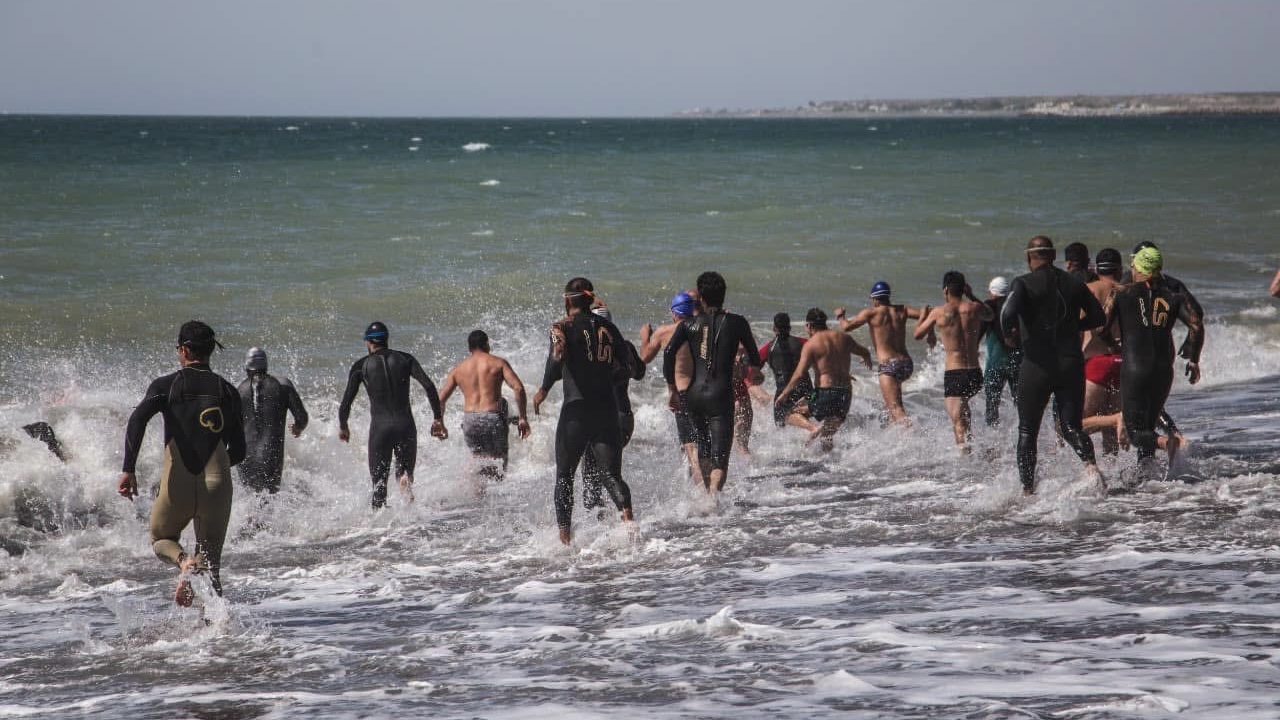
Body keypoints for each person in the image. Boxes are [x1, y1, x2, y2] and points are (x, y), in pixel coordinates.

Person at [117, 321, 246, 607]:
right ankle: (216, 627)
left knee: (161, 539)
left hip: (178, 484)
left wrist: (128, 469)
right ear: (210, 351)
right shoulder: (228, 390)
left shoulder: (166, 385)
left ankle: (183, 561)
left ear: (185, 350)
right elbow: (239, 450)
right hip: (217, 485)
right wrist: (216, 472)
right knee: (210, 565)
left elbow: (137, 420)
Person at [1000, 236, 1107, 495]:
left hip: (1037, 365)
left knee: (1028, 430)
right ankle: (1091, 468)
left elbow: (1006, 314)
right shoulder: (1074, 283)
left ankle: (1028, 491)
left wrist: (1010, 336)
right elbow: (1098, 317)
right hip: (1070, 364)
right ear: (1054, 255)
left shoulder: (1023, 283)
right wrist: (1073, 326)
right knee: (1071, 427)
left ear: (1029, 257)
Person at [532, 278, 636, 545]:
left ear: (568, 300)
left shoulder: (561, 327)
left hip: (576, 412)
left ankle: (565, 541)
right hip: (606, 410)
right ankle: (630, 526)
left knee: (565, 476)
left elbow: (557, 358)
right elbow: (629, 367)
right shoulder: (609, 328)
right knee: (611, 475)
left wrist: (543, 389)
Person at [1100, 246, 1204, 482]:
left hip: (1135, 367)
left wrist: (1113, 345)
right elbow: (1196, 324)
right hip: (1163, 368)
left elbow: (1102, 327)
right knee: (1148, 422)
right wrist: (1194, 360)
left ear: (1139, 268)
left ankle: (1167, 443)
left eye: (1134, 266)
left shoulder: (1122, 292)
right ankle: (1147, 476)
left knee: (1135, 432)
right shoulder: (1173, 294)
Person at [663, 272, 761, 492]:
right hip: (721, 395)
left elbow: (669, 353)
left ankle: (706, 495)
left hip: (694, 395)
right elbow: (754, 357)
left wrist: (672, 389)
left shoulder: (688, 325)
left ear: (701, 298)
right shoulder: (737, 323)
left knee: (703, 448)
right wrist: (752, 369)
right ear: (724, 295)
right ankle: (713, 495)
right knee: (720, 456)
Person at [337, 321, 447, 509]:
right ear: (386, 339)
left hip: (380, 429)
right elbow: (429, 386)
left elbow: (346, 402)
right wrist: (437, 418)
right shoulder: (406, 359)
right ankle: (405, 489)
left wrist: (343, 426)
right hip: (405, 426)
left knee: (379, 485)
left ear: (368, 342)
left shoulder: (361, 366)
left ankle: (379, 523)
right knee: (404, 474)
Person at [913, 271, 993, 451]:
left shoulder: (939, 312)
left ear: (945, 290)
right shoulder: (974, 308)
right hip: (974, 373)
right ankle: (973, 453)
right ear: (964, 289)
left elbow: (917, 334)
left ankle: (965, 460)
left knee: (958, 424)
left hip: (955, 374)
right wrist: (972, 295)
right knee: (964, 414)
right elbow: (990, 315)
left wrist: (923, 315)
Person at [438, 330, 531, 481]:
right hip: (492, 418)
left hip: (470, 421)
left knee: (478, 465)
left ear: (469, 348)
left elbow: (440, 399)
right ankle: (497, 495)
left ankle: (476, 494)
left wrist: (440, 422)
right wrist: (522, 418)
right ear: (487, 344)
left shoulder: (458, 370)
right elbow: (518, 388)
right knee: (499, 466)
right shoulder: (499, 363)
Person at [776, 308, 873, 452]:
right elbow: (864, 351)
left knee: (788, 414)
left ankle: (813, 428)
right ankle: (831, 463)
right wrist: (866, 359)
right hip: (845, 393)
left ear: (809, 325)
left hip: (825, 393)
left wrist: (784, 394)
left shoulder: (811, 344)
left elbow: (799, 374)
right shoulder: (844, 338)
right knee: (827, 437)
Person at [836, 281, 932, 426]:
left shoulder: (871, 313)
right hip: (906, 364)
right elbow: (929, 314)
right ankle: (897, 437)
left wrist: (840, 316)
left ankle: (912, 433)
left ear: (875, 299)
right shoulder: (903, 310)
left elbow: (846, 327)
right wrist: (931, 333)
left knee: (896, 409)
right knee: (891, 408)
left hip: (889, 366)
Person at [581, 305, 645, 510]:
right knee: (608, 472)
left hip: (600, 418)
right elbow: (640, 373)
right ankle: (616, 515)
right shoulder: (625, 346)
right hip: (624, 418)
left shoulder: (588, 349)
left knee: (593, 472)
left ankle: (607, 516)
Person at [638, 291, 703, 485]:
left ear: (674, 313)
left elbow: (644, 359)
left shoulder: (664, 332)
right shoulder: (704, 328)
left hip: (683, 394)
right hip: (706, 392)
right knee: (705, 444)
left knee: (691, 448)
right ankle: (709, 486)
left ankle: (704, 494)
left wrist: (645, 337)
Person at [236, 347, 308, 494]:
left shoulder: (238, 391)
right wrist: (298, 427)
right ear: (266, 365)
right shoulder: (283, 386)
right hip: (270, 456)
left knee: (249, 499)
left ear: (247, 367)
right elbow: (302, 418)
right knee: (270, 499)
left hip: (244, 457)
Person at [1080, 249, 1125, 453]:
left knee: (1074, 426)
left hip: (1095, 364)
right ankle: (1112, 470)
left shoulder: (1088, 290)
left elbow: (1077, 328)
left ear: (1096, 270)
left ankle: (1115, 419)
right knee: (1111, 434)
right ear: (1120, 270)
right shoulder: (1129, 292)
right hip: (1122, 363)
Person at [758, 312, 818, 433]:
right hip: (807, 391)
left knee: (782, 418)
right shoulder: (803, 343)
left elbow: (753, 368)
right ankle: (812, 434)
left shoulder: (768, 349)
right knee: (801, 415)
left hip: (784, 393)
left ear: (774, 328)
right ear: (790, 327)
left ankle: (812, 428)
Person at [978, 276, 1021, 428]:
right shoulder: (1016, 308)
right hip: (1017, 363)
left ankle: (993, 437)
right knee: (1020, 402)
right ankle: (1022, 432)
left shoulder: (989, 307)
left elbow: (978, 335)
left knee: (992, 404)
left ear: (992, 292)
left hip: (995, 365)